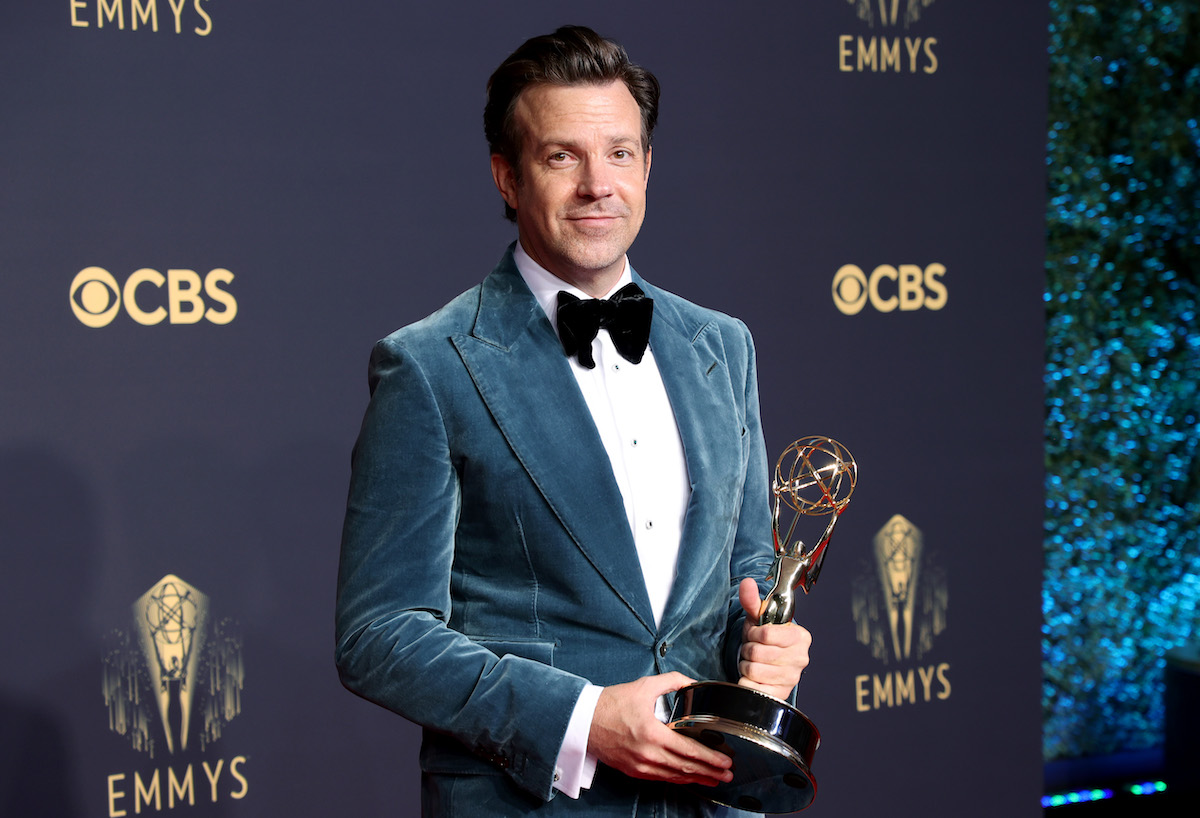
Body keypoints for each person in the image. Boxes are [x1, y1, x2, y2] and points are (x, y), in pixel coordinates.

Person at [335, 25, 811, 817]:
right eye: (563, 157)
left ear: (648, 166)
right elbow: (379, 633)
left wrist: (771, 650)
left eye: (620, 153)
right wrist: (585, 719)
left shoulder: (722, 346)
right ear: (507, 177)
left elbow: (746, 576)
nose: (599, 184)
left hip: (711, 797)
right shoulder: (430, 365)